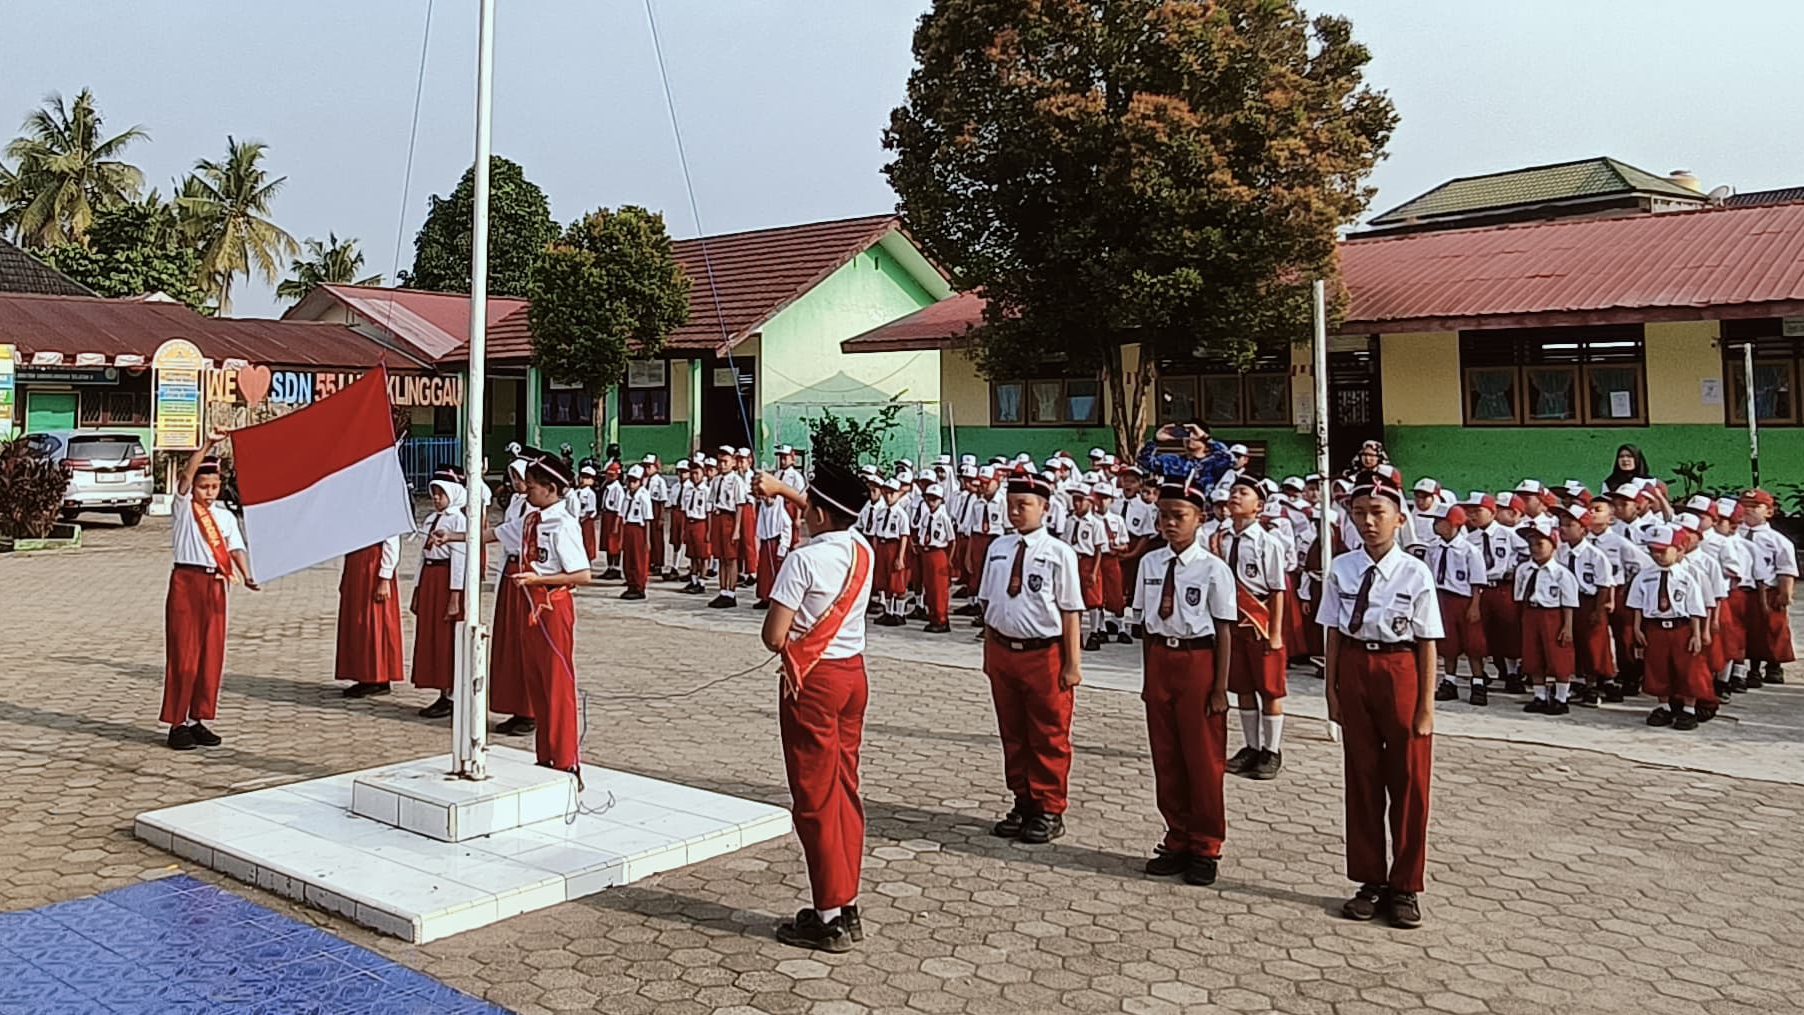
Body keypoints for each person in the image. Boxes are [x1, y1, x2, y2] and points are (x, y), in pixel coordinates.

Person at [754, 461, 876, 953]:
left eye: (809, 506)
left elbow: (773, 636)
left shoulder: (803, 560)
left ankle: (826, 915)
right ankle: (846, 901)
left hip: (814, 682)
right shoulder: (861, 547)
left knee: (814, 797)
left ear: (820, 513)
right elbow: (829, 515)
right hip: (852, 675)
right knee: (845, 788)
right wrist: (783, 490)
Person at [1319, 470, 1441, 930]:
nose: (1368, 522)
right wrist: (1332, 690)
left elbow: (1428, 640)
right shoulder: (1342, 568)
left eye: (1378, 513)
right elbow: (1332, 629)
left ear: (1399, 518)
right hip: (1355, 667)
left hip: (1400, 670)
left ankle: (1405, 884)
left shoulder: (1415, 571)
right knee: (1363, 778)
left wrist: (1426, 705)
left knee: (1409, 782)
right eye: (1359, 513)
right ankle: (1370, 879)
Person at [974, 469, 1085, 844]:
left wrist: (1072, 663)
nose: (1016, 512)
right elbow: (989, 603)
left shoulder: (1058, 553)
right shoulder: (999, 548)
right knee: (1014, 731)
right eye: (1011, 505)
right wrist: (990, 652)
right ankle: (1023, 799)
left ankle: (1049, 806)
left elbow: (1071, 610)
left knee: (1048, 732)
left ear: (1045, 508)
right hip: (1005, 651)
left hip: (1045, 654)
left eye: (1024, 505)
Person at [1135, 478, 1236, 886]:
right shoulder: (1150, 563)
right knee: (1167, 756)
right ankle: (1176, 836)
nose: (1169, 524)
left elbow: (1225, 631)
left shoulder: (1213, 568)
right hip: (1162, 658)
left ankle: (1206, 844)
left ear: (1201, 519)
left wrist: (1219, 688)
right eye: (1163, 516)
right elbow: (1145, 623)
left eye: (1179, 516)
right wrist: (1148, 678)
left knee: (1203, 759)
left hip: (1199, 661)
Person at [497, 449, 592, 771]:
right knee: (536, 681)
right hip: (532, 606)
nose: (528, 491)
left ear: (551, 489)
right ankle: (545, 754)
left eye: (534, 486)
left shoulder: (562, 524)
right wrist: (452, 536)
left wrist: (541, 578)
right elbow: (495, 535)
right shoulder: (530, 519)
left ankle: (566, 758)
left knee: (557, 683)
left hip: (553, 605)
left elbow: (582, 574)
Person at [162, 433, 259, 749]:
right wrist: (206, 445)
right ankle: (177, 723)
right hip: (186, 584)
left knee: (209, 655)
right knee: (183, 655)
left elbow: (235, 548)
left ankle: (197, 719)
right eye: (204, 487)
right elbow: (186, 476)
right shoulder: (184, 509)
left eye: (214, 487)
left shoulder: (225, 516)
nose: (208, 492)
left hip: (216, 585)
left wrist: (246, 575)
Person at [1214, 476, 1289, 780]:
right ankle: (1250, 746)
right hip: (1233, 623)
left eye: (1243, 493)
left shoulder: (1268, 542)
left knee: (1269, 689)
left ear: (1258, 506)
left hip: (1260, 622)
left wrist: (1276, 633)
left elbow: (1277, 590)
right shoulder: (1221, 539)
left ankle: (1271, 750)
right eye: (1232, 492)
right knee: (1243, 688)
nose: (1235, 496)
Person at [1628, 524, 1710, 731]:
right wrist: (1637, 629)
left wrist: (1696, 634)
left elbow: (1695, 608)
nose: (1658, 556)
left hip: (1681, 627)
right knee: (1658, 667)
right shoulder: (1644, 576)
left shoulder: (1687, 577)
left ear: (1679, 548)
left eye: (1663, 551)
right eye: (1653, 551)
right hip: (1655, 627)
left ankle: (1689, 709)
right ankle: (1664, 706)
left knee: (1687, 668)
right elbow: (1637, 604)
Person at [413, 478, 469, 720]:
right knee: (431, 636)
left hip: (446, 580)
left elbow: (459, 560)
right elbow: (422, 556)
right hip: (430, 578)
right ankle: (441, 690)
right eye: (434, 494)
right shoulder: (430, 519)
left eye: (441, 494)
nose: (436, 499)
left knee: (447, 639)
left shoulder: (458, 520)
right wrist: (417, 587)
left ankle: (453, 694)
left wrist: (455, 594)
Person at [1514, 517, 1579, 716]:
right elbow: (1519, 596)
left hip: (1553, 615)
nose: (1535, 548)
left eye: (1540, 544)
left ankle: (1561, 697)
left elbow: (1569, 602)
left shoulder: (1561, 573)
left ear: (1553, 545)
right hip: (1531, 613)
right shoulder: (1524, 570)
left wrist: (1567, 626)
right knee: (1533, 655)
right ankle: (1539, 696)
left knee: (1558, 656)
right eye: (1531, 544)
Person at [1426, 504, 1489, 706]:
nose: (1435, 525)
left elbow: (1477, 581)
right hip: (1442, 598)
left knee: (1473, 644)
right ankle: (1449, 680)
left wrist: (1475, 605)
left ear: (1454, 523)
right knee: (1448, 644)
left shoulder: (1469, 550)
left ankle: (1478, 682)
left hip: (1464, 599)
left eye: (1440, 521)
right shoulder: (1433, 548)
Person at [490, 459, 536, 736]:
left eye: (522, 478)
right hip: (510, 571)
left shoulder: (537, 510)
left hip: (528, 575)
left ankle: (529, 710)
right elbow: (502, 536)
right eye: (514, 477)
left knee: (525, 643)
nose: (519, 483)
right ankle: (514, 706)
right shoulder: (515, 504)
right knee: (509, 642)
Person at [1557, 504, 1619, 706]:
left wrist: (1598, 610)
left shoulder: (1595, 555)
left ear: (1583, 529)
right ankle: (1578, 681)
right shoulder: (1560, 553)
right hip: (1568, 602)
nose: (1563, 529)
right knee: (1572, 642)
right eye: (1561, 525)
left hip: (1589, 602)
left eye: (1569, 525)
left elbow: (1603, 585)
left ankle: (1594, 685)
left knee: (1592, 645)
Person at [1739, 489, 1797, 685]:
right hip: (1742, 588)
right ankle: (1751, 669)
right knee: (1748, 630)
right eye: (1745, 506)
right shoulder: (1734, 535)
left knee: (1772, 628)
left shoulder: (1778, 540)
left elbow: (1786, 568)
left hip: (1767, 590)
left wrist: (1785, 592)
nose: (1749, 511)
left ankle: (1774, 665)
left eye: (1755, 507)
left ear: (1769, 512)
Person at [336, 535, 403, 699]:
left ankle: (378, 677)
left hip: (373, 565)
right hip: (357, 561)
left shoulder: (385, 509)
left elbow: (392, 539)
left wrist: (385, 576)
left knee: (374, 620)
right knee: (358, 623)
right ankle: (365, 674)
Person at [1137, 422, 1233, 492]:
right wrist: (1155, 440)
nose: (1189, 438)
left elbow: (1230, 459)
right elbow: (1144, 460)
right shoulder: (1172, 461)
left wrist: (1205, 438)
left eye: (1194, 434)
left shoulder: (1212, 463)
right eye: (1186, 434)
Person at [710, 447, 750, 608]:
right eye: (720, 461)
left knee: (731, 558)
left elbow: (740, 506)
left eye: (725, 461)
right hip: (718, 517)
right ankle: (722, 590)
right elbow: (711, 502)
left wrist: (737, 529)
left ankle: (731, 592)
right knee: (720, 557)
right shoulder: (716, 480)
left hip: (729, 518)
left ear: (733, 462)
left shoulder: (736, 481)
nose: (722, 465)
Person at [754, 465, 796, 611]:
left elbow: (787, 527)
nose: (767, 499)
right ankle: (763, 596)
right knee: (764, 571)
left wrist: (783, 547)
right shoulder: (764, 509)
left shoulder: (780, 510)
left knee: (775, 572)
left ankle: (773, 597)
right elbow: (759, 526)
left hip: (775, 542)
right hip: (766, 541)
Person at [918, 484, 956, 633]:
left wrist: (949, 559)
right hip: (926, 552)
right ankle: (932, 616)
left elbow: (952, 540)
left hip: (938, 552)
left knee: (939, 588)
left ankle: (941, 619)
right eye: (928, 499)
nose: (931, 502)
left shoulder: (943, 517)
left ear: (941, 500)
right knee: (929, 586)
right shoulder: (926, 516)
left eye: (934, 499)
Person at [617, 464, 654, 600]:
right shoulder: (626, 495)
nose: (631, 484)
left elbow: (648, 519)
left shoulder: (644, 496)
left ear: (641, 481)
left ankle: (639, 586)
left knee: (639, 559)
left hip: (639, 529)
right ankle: (630, 583)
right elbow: (622, 515)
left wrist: (647, 540)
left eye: (635, 481)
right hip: (628, 528)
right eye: (630, 481)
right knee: (628, 558)